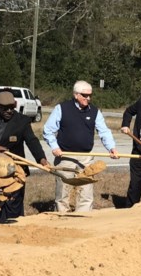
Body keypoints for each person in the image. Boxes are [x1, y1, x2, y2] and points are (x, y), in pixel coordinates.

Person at [42, 80, 120, 212]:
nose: (88, 98)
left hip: (86, 157)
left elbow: (104, 131)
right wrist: (55, 147)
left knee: (86, 190)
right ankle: (62, 216)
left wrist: (111, 147)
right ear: (76, 94)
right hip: (65, 156)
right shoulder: (62, 108)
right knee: (63, 191)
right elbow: (48, 130)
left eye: (90, 95)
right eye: (84, 95)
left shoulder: (95, 111)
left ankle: (84, 216)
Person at [0, 90, 49, 221]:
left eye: (12, 107)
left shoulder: (22, 121)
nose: (9, 111)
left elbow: (32, 141)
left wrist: (41, 159)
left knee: (13, 206)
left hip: (15, 171)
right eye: (5, 108)